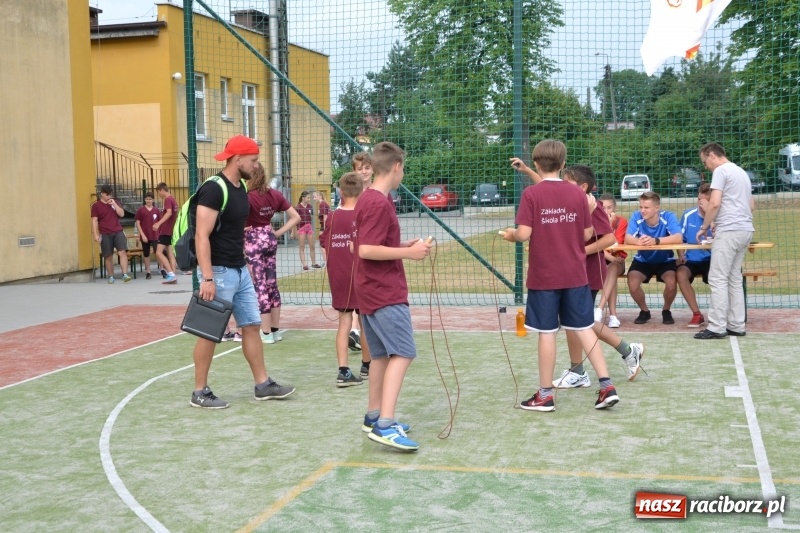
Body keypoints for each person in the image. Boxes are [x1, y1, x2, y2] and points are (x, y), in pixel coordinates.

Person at [502, 140, 619, 413]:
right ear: (563, 164)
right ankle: (606, 386)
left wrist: (511, 235)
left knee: (547, 332)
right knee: (583, 327)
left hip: (545, 277)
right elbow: (588, 235)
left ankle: (544, 395)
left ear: (536, 162)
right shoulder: (577, 195)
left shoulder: (532, 195)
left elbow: (523, 234)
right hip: (576, 274)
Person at [191, 134, 295, 409]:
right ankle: (199, 391)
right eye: (254, 160)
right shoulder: (214, 189)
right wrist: (208, 277)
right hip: (219, 272)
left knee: (251, 326)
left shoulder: (239, 189)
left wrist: (244, 265)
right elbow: (202, 236)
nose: (257, 166)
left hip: (239, 269)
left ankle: (263, 384)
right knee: (209, 331)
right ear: (237, 159)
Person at [354, 141, 431, 451]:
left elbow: (376, 242)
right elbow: (365, 249)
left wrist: (403, 245)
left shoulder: (370, 198)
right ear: (396, 166)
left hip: (371, 289)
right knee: (404, 352)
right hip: (383, 291)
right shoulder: (377, 202)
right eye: (404, 168)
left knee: (382, 355)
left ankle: (374, 416)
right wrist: (410, 254)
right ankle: (385, 425)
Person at [555, 166, 644, 385]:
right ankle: (625, 351)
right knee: (575, 321)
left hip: (588, 272)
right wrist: (530, 170)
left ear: (583, 187)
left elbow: (609, 239)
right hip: (572, 271)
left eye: (568, 182)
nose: (563, 186)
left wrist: (579, 252)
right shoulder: (571, 203)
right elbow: (546, 184)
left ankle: (581, 371)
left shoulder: (593, 207)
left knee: (577, 321)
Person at [693, 143, 755, 339]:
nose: (706, 166)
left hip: (729, 231)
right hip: (745, 229)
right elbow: (751, 205)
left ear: (712, 155)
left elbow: (715, 202)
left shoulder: (720, 171)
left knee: (718, 278)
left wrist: (705, 226)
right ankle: (736, 324)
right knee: (734, 278)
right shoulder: (741, 172)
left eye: (705, 162)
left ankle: (717, 326)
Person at [320, 172, 372, 387]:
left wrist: (331, 266)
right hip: (361, 275)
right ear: (362, 191)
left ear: (341, 192)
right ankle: (367, 365)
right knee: (365, 322)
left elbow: (325, 245)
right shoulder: (362, 215)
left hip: (338, 276)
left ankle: (343, 370)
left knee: (344, 322)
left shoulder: (331, 217)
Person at [244, 164, 301, 344]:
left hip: (253, 239)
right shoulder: (274, 194)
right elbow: (296, 217)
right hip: (269, 237)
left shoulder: (247, 197)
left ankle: (266, 332)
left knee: (259, 285)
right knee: (271, 284)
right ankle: (275, 330)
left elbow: (237, 219)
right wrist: (276, 233)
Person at [624, 191, 683, 325]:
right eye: (641, 207)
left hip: (665, 260)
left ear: (657, 208)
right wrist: (637, 241)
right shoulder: (636, 216)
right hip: (642, 260)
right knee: (632, 283)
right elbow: (628, 238)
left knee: (671, 282)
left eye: (646, 207)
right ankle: (644, 311)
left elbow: (678, 237)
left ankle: (666, 310)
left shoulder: (668, 216)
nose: (642, 211)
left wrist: (655, 241)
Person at [677, 183, 713, 328]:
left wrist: (710, 213)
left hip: (712, 259)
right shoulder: (688, 215)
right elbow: (679, 239)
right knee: (680, 273)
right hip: (691, 259)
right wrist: (681, 255)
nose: (700, 204)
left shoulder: (720, 216)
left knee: (720, 277)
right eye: (699, 200)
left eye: (704, 201)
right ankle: (697, 314)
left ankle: (720, 314)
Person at [596, 193, 627, 328]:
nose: (606, 211)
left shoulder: (621, 222)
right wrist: (612, 257)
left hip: (616, 262)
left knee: (612, 268)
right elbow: (598, 247)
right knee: (611, 271)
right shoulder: (594, 222)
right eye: (603, 208)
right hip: (600, 261)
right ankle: (613, 316)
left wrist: (608, 227)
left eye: (609, 208)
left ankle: (599, 310)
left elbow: (616, 244)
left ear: (614, 208)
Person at [91, 184, 131, 284]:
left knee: (122, 252)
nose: (109, 196)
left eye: (110, 194)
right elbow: (94, 221)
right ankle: (111, 276)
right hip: (105, 233)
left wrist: (114, 205)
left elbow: (121, 214)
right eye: (107, 194)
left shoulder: (115, 202)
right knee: (108, 255)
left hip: (118, 231)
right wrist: (95, 234)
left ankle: (125, 274)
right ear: (102, 194)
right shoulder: (96, 206)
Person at [153, 182, 179, 284]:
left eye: (158, 192)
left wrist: (158, 223)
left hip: (165, 230)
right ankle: (173, 276)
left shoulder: (167, 200)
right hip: (171, 230)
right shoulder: (174, 199)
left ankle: (171, 274)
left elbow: (169, 213)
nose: (159, 195)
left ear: (162, 190)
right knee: (170, 253)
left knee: (158, 252)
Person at [291, 191, 321, 270]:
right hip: (301, 228)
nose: (309, 199)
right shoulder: (298, 207)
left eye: (310, 198)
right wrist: (293, 231)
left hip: (309, 227)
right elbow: (293, 220)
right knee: (302, 246)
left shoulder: (310, 206)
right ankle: (304, 265)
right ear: (303, 198)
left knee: (312, 246)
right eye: (308, 198)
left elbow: (315, 214)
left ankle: (313, 263)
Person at [134, 192, 160, 279]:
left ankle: (162, 269)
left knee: (158, 252)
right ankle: (148, 271)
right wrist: (142, 235)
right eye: (147, 199)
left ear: (153, 200)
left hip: (155, 235)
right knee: (146, 254)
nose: (148, 201)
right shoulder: (141, 210)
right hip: (145, 235)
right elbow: (138, 223)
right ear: (144, 200)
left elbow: (160, 222)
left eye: (150, 199)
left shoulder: (156, 210)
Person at [314, 191, 331, 265]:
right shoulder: (324, 203)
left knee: (322, 244)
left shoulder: (322, 204)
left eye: (315, 197)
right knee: (325, 244)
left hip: (324, 226)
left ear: (320, 196)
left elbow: (325, 217)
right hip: (324, 226)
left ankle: (326, 261)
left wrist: (325, 229)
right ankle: (327, 260)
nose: (314, 199)